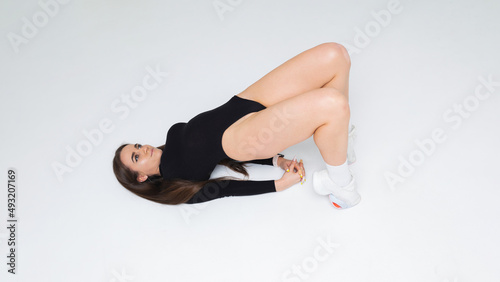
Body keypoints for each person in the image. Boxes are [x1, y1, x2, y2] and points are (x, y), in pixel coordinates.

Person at [113, 42, 361, 209]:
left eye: (137, 145)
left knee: (336, 55)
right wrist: (279, 184)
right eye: (136, 156)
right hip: (245, 137)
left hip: (244, 101)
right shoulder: (175, 181)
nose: (143, 148)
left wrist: (277, 161)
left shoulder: (171, 149)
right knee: (333, 104)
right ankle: (342, 186)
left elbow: (214, 161)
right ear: (142, 176)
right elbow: (223, 188)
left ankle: (339, 143)